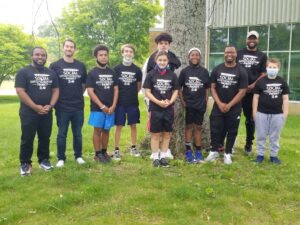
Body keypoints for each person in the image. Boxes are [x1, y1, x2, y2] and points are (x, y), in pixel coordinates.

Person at [15, 47, 59, 176]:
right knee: (27, 138)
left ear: (46, 57)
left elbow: (56, 90)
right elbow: (20, 91)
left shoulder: (51, 73)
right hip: (28, 112)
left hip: (46, 112)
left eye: (43, 55)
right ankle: (25, 163)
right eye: (37, 55)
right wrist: (34, 106)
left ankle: (44, 160)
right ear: (32, 56)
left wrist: (50, 105)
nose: (40, 57)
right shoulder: (23, 72)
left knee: (45, 137)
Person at [205, 45, 248, 165]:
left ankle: (228, 153)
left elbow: (242, 91)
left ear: (236, 54)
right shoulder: (217, 69)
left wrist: (229, 105)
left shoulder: (241, 71)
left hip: (234, 107)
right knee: (215, 129)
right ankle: (214, 151)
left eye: (232, 52)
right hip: (218, 106)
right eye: (227, 52)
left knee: (232, 130)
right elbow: (212, 88)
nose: (229, 54)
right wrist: (219, 103)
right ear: (224, 54)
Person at [50, 39, 87, 167]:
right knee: (62, 133)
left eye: (72, 47)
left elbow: (83, 85)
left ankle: (78, 156)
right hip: (61, 106)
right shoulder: (55, 66)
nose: (69, 49)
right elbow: (52, 86)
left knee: (77, 133)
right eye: (67, 46)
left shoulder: (81, 66)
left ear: (74, 49)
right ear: (63, 48)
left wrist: (75, 94)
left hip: (78, 106)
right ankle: (61, 158)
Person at [143, 32, 181, 160]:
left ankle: (164, 152)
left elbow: (176, 86)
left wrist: (170, 101)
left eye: (166, 43)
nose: (163, 45)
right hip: (155, 102)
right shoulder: (150, 61)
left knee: (167, 131)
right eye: (161, 43)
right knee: (155, 132)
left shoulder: (173, 60)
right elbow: (147, 86)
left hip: (168, 102)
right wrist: (149, 100)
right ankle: (155, 153)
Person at [252, 58, 289, 164]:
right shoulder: (260, 81)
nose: (272, 69)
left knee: (275, 136)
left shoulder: (282, 81)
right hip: (261, 113)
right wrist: (255, 113)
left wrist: (285, 114)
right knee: (261, 135)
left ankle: (274, 156)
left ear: (278, 69)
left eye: (274, 67)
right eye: (270, 67)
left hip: (277, 114)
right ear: (266, 68)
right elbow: (256, 98)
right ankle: (260, 155)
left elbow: (285, 99)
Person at [86, 45, 118, 163]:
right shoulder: (92, 73)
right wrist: (102, 106)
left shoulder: (112, 72)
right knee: (98, 130)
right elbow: (90, 91)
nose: (104, 57)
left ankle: (104, 152)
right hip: (97, 108)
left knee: (106, 130)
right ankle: (97, 153)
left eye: (105, 55)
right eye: (101, 55)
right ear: (96, 57)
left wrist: (113, 105)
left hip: (110, 108)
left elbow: (116, 89)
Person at [237, 30, 267, 155]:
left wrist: (253, 85)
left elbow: (264, 73)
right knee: (234, 118)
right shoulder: (239, 53)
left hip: (251, 93)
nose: (252, 41)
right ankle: (230, 143)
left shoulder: (262, 56)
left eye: (254, 38)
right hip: (237, 92)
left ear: (257, 40)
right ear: (246, 40)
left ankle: (249, 144)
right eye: (250, 38)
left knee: (250, 119)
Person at [178, 47, 210, 163]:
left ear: (200, 57)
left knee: (198, 127)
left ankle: (198, 150)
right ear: (189, 57)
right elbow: (179, 88)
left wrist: (205, 101)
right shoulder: (184, 71)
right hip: (189, 104)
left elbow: (207, 88)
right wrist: (182, 101)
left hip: (200, 104)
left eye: (197, 55)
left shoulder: (204, 71)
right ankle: (188, 151)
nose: (195, 57)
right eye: (192, 55)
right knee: (188, 127)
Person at [113, 44, 142, 160]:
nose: (128, 53)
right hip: (119, 103)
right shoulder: (116, 69)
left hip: (132, 103)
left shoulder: (137, 70)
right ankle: (116, 149)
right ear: (122, 53)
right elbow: (114, 86)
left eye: (130, 51)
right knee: (119, 125)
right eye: (126, 51)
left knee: (133, 125)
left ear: (133, 54)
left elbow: (138, 86)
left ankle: (133, 147)